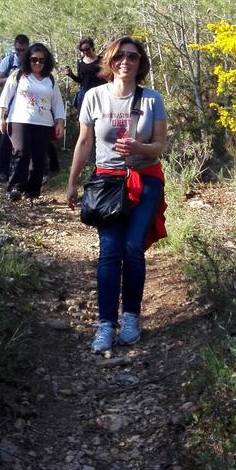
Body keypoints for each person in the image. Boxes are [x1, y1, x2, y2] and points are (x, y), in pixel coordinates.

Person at [66, 36, 167, 353]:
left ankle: (132, 317)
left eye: (133, 56)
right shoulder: (94, 97)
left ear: (141, 63)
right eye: (120, 56)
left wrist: (140, 148)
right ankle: (106, 324)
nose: (126, 61)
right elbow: (84, 143)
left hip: (145, 180)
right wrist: (72, 182)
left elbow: (160, 146)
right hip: (107, 184)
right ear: (109, 62)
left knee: (133, 247)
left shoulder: (152, 99)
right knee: (110, 252)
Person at [0, 43, 65, 202]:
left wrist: (60, 122)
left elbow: (57, 103)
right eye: (34, 59)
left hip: (43, 123)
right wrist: (0, 118)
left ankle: (33, 192)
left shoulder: (50, 80)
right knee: (21, 151)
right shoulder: (18, 75)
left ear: (46, 61)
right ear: (28, 59)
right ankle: (16, 188)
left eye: (41, 60)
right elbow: (5, 98)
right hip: (19, 119)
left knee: (39, 157)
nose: (37, 63)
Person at [0, 34, 30, 181]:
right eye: (17, 50)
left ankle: (29, 171)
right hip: (10, 106)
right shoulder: (8, 60)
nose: (20, 53)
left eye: (23, 50)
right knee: (7, 139)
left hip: (29, 107)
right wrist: (12, 78)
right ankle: (2, 171)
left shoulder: (34, 61)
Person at [64, 37, 106, 112]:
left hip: (99, 95)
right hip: (84, 96)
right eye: (82, 50)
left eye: (87, 49)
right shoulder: (81, 63)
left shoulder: (102, 61)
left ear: (92, 47)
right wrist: (71, 75)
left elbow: (108, 77)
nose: (85, 51)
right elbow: (80, 80)